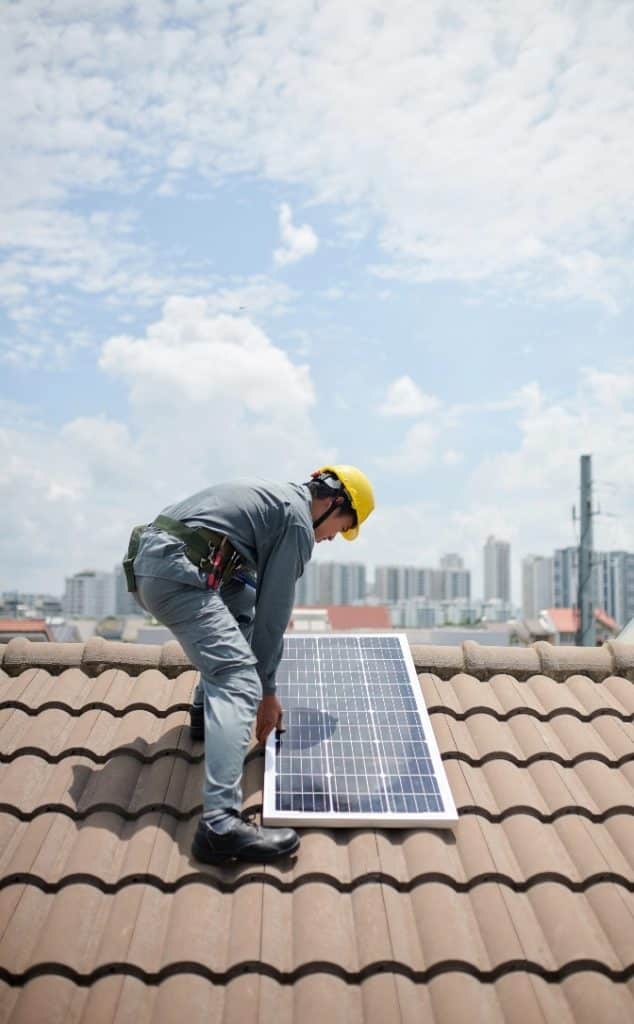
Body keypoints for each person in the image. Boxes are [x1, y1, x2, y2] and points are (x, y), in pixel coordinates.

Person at [123, 465, 375, 864]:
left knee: (241, 605)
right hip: (177, 572)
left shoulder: (276, 500)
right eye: (341, 527)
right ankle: (220, 825)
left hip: (156, 561)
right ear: (332, 501)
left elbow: (252, 598)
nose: (331, 539)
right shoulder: (296, 522)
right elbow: (276, 614)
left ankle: (205, 711)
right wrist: (267, 691)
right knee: (240, 680)